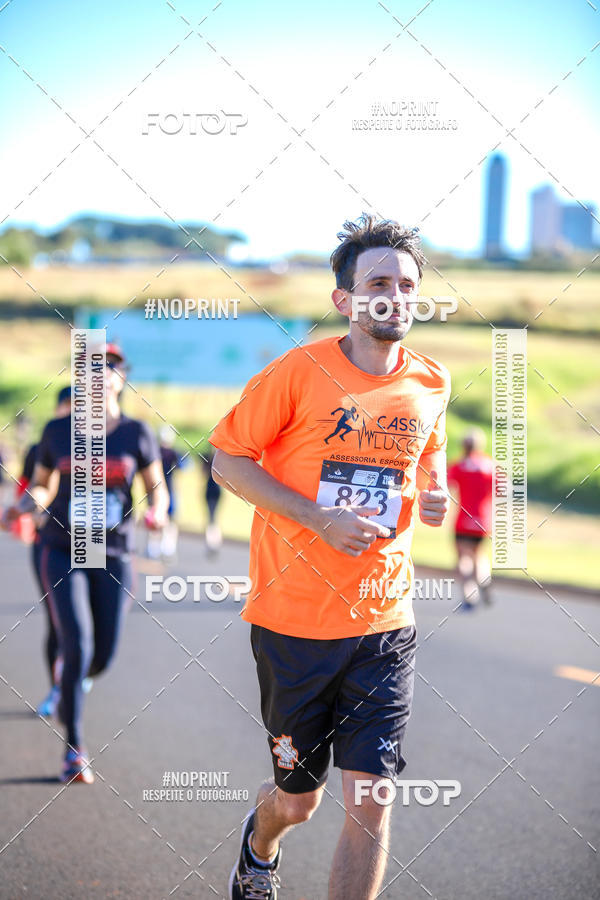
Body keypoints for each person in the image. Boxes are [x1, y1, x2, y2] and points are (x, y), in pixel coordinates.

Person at [209, 213, 451, 900]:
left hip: (383, 626)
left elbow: (425, 461)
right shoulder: (299, 372)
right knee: (298, 802)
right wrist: (317, 517)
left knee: (372, 804)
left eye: (406, 284)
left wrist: (432, 499)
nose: (394, 295)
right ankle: (260, 848)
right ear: (345, 300)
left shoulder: (431, 383)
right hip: (294, 628)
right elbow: (228, 458)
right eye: (378, 282)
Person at [2, 343, 169, 783]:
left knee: (103, 655)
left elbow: (157, 487)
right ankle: (74, 748)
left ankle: (72, 676)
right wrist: (23, 505)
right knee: (77, 644)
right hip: (62, 547)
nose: (100, 373)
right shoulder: (57, 431)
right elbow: (41, 484)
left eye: (109, 366)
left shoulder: (137, 432)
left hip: (112, 551)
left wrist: (158, 511)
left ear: (121, 378)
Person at [16, 386, 72, 717]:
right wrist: (24, 512)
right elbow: (26, 486)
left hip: (95, 547)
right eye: (66, 405)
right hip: (48, 544)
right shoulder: (43, 445)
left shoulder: (102, 442)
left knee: (89, 626)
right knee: (57, 622)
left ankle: (80, 670)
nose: (72, 411)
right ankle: (57, 689)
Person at [447, 428, 494, 608]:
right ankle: (484, 581)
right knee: (478, 554)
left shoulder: (459, 466)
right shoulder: (490, 466)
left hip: (463, 520)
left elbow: (446, 485)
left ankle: (469, 596)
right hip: (483, 520)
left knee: (463, 559)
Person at [146, 426, 182, 560]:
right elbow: (183, 466)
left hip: (159, 489)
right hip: (166, 489)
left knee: (159, 518)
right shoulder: (172, 453)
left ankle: (156, 548)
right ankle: (165, 548)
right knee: (166, 520)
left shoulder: (155, 451)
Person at [201, 449, 222, 554]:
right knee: (212, 518)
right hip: (213, 490)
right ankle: (212, 543)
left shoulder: (215, 461)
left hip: (213, 491)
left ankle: (212, 543)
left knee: (211, 519)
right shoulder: (215, 460)